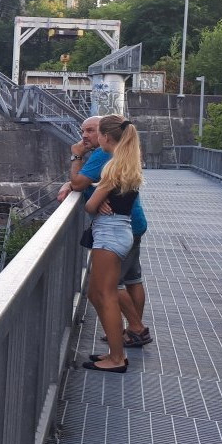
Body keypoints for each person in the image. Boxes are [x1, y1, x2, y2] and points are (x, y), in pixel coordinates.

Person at [58, 117, 151, 349]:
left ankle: (134, 331)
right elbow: (92, 185)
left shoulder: (103, 155)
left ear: (105, 135)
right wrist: (76, 186)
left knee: (109, 289)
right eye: (82, 130)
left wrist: (76, 158)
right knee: (132, 278)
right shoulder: (126, 155)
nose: (85, 135)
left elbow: (80, 183)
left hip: (114, 229)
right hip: (134, 223)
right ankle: (131, 332)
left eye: (91, 130)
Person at [80, 114, 143, 372]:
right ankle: (115, 352)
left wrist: (95, 195)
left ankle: (116, 358)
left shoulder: (111, 167)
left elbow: (91, 205)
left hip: (109, 234)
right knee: (96, 293)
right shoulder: (128, 164)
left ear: (105, 137)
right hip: (121, 231)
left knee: (105, 296)